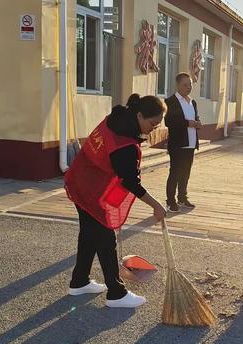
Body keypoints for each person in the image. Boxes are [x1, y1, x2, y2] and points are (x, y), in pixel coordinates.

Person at [64, 94, 167, 308]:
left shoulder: (116, 119)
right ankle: (116, 293)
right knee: (105, 239)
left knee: (89, 235)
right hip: (90, 190)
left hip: (80, 181)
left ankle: (79, 281)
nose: (154, 128)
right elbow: (130, 181)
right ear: (139, 115)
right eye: (152, 123)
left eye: (158, 125)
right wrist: (156, 205)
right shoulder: (124, 143)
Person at [165, 73, 202, 213]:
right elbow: (169, 122)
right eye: (185, 85)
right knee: (174, 172)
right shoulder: (171, 102)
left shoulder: (192, 102)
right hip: (177, 144)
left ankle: (182, 198)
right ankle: (170, 201)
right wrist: (188, 123)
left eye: (190, 84)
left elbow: (195, 117)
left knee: (185, 172)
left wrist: (197, 123)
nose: (188, 87)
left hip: (191, 143)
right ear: (178, 85)